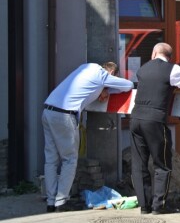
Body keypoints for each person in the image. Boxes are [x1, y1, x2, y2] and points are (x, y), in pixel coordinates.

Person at [43, 62, 133, 212]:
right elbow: (128, 85)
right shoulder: (101, 75)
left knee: (51, 160)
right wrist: (107, 89)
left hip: (48, 110)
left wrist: (102, 90)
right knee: (70, 160)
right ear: (111, 74)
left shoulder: (85, 68)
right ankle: (61, 201)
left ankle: (51, 202)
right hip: (65, 115)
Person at [130, 43, 180, 215]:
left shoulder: (142, 69)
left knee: (139, 164)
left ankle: (144, 206)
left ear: (153, 53)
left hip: (136, 118)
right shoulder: (172, 69)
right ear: (170, 56)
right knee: (162, 163)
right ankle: (158, 206)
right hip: (154, 120)